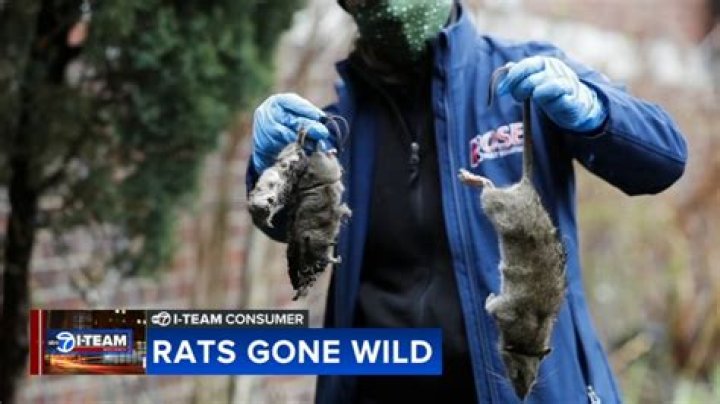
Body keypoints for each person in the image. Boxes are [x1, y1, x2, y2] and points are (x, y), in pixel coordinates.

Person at [245, 1, 688, 403]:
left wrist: (597, 113)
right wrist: (270, 166)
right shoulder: (340, 127)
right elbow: (287, 224)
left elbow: (663, 159)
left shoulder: (523, 81)